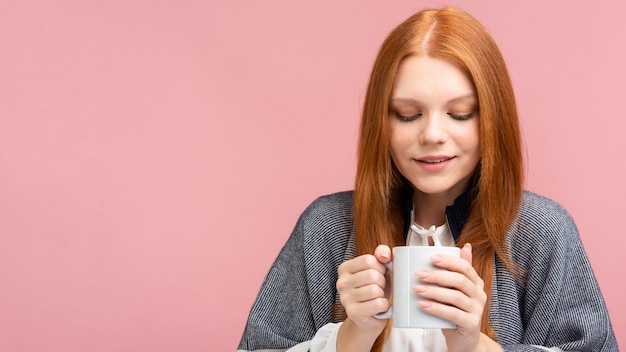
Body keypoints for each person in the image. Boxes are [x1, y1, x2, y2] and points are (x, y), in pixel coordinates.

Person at [237, 6, 618, 352]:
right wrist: (351, 337)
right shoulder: (327, 227)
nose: (433, 134)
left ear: (493, 121)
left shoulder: (543, 231)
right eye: (407, 114)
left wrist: (475, 346)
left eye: (462, 113)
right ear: (380, 123)